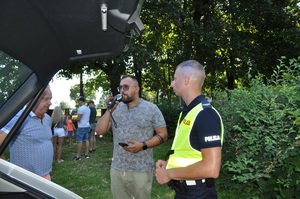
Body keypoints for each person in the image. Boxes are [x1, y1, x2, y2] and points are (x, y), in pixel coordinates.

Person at [154, 60, 224, 199]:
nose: (172, 84)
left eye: (175, 79)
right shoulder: (187, 112)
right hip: (184, 191)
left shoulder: (205, 115)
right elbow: (190, 152)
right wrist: (170, 164)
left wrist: (169, 174)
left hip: (199, 193)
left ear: (186, 79)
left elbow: (212, 168)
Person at [96, 75, 168, 199]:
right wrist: (109, 110)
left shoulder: (151, 109)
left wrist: (143, 145)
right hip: (117, 168)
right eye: (120, 87)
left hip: (142, 169)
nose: (122, 90)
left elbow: (163, 134)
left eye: (126, 87)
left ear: (136, 89)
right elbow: (99, 130)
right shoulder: (116, 108)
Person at [0, 86, 53, 180]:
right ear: (33, 99)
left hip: (46, 176)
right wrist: (5, 171)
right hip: (25, 180)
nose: (50, 103)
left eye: (50, 99)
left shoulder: (47, 118)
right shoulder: (20, 117)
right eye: (46, 99)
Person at [72, 96, 90, 160]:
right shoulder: (88, 108)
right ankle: (86, 154)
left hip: (81, 126)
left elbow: (79, 119)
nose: (78, 102)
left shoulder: (81, 109)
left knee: (79, 141)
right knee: (86, 140)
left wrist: (73, 119)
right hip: (87, 125)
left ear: (80, 101)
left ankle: (78, 156)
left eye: (78, 101)